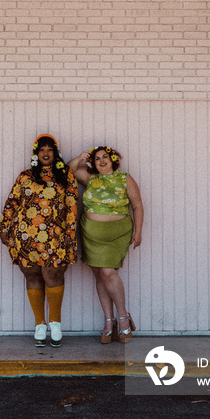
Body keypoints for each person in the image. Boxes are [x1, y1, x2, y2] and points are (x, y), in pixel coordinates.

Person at [0, 134, 78, 347]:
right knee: (33, 276)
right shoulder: (25, 176)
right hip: (26, 236)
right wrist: (4, 226)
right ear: (36, 153)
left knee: (53, 274)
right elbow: (12, 202)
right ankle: (40, 325)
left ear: (55, 153)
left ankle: (56, 323)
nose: (45, 153)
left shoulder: (65, 176)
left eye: (49, 150)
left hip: (55, 236)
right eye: (41, 149)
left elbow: (72, 207)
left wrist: (70, 235)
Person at [68, 146, 143, 343]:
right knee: (99, 276)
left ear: (113, 159)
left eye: (105, 157)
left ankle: (123, 318)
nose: (102, 161)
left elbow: (137, 205)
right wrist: (80, 157)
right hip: (91, 234)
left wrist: (139, 231)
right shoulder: (89, 177)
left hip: (117, 234)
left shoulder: (125, 178)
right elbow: (68, 171)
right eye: (97, 158)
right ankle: (109, 322)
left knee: (108, 273)